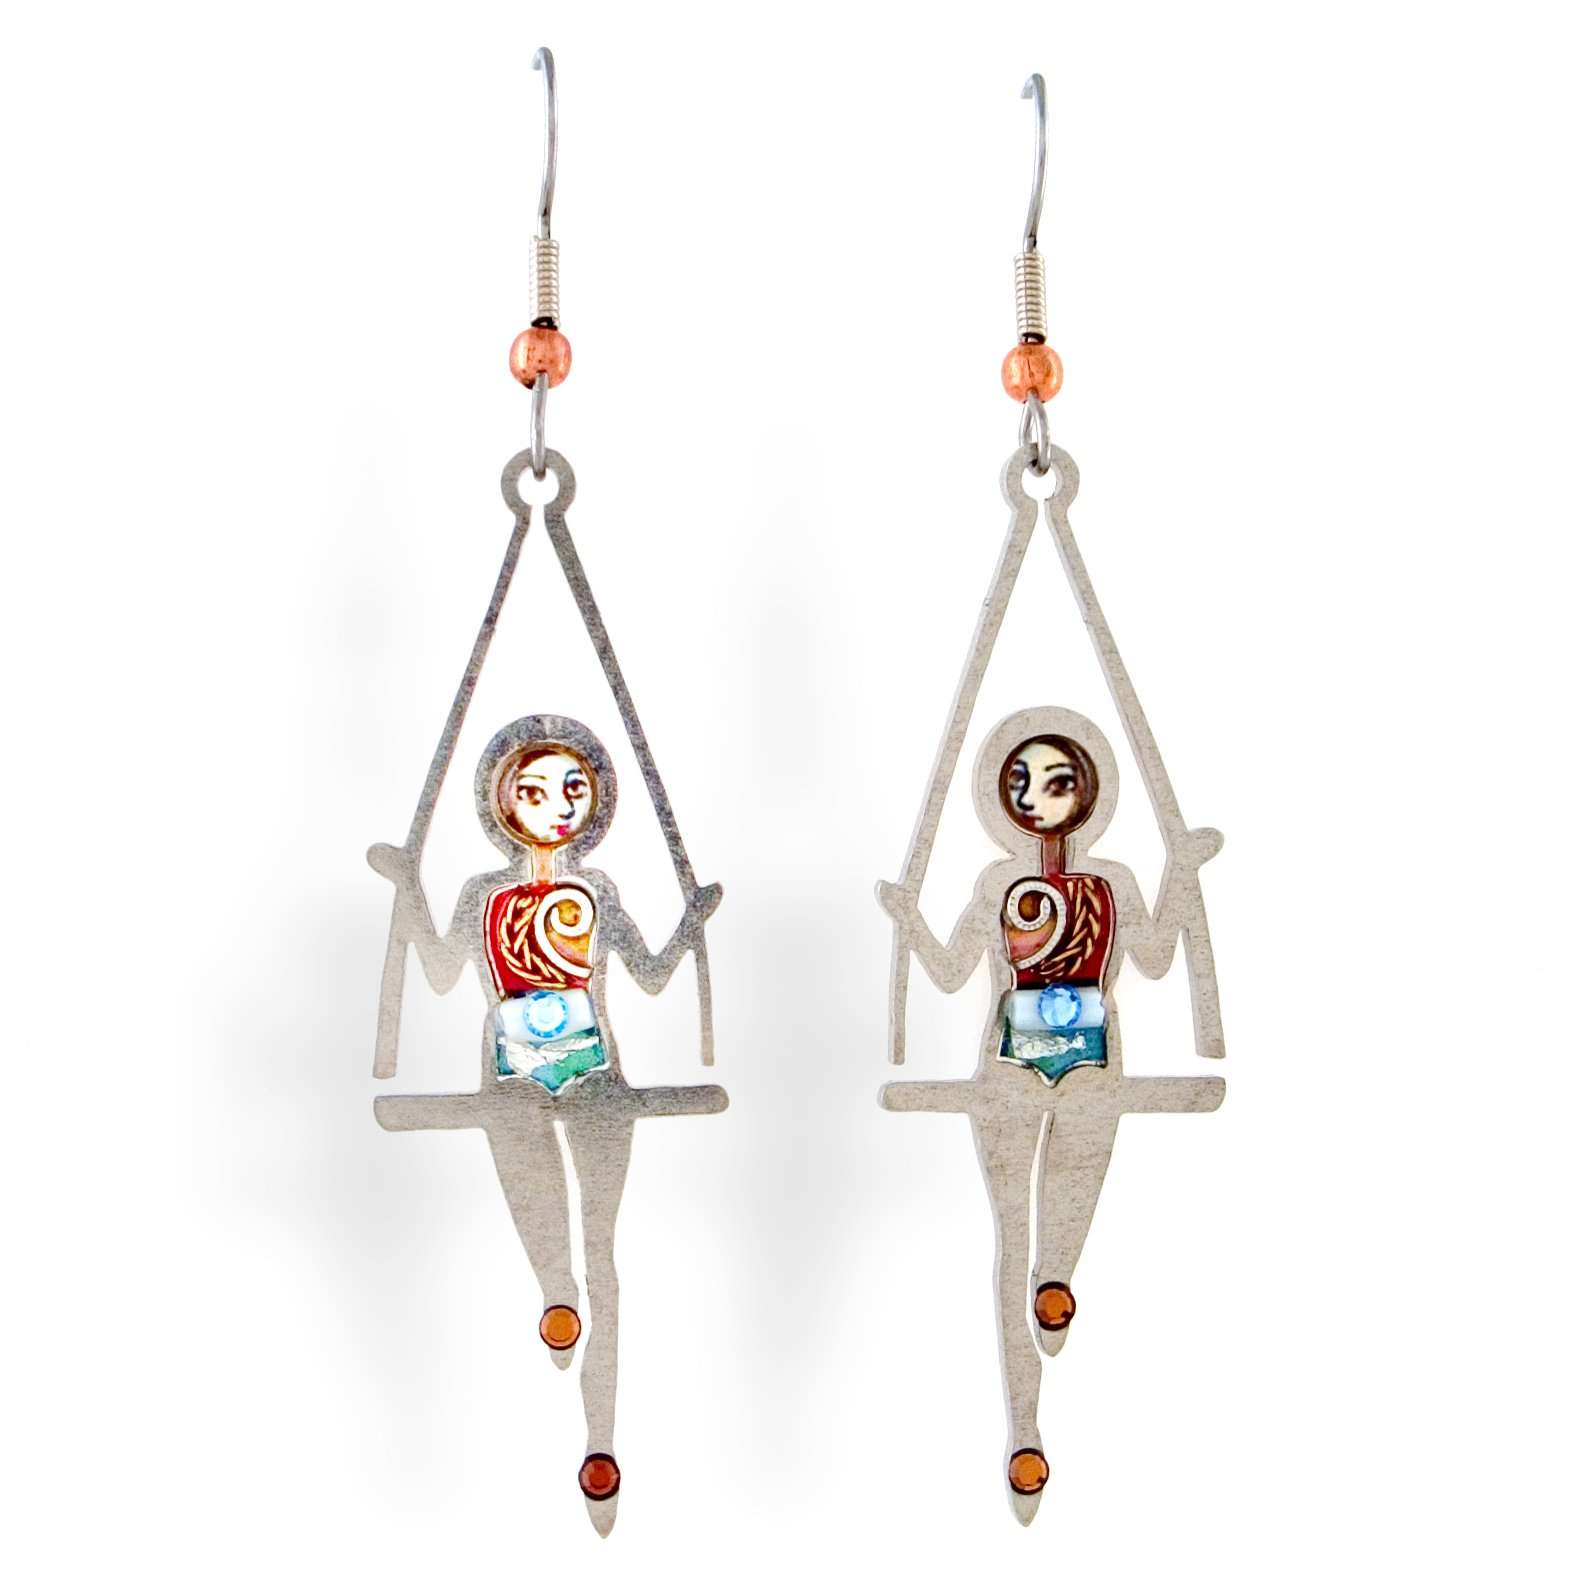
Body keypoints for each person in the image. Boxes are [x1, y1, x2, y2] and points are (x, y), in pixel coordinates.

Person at [370, 713, 724, 1533]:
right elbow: (441, 970)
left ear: (594, 803)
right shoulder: (481, 895)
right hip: (510, 1079)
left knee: (606, 1255)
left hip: (598, 1077)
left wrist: (692, 923)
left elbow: (650, 976)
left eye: (571, 790)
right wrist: (407, 889)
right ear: (502, 803)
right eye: (532, 792)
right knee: (551, 1241)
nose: (555, 807)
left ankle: (602, 1438)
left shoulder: (598, 893)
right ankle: (555, 1296)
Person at [878, 705, 1222, 1522]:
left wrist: (1181, 873)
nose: (1038, 798)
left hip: (1096, 1067)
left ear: (1087, 792)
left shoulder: (1114, 882)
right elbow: (953, 972)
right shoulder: (997, 885)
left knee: (1058, 1237)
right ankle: (1025, 1428)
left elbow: (1155, 957)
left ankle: (1057, 1282)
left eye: (1057, 782)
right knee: (1011, 1242)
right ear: (1003, 797)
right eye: (1022, 783)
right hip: (1008, 1068)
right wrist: (908, 919)